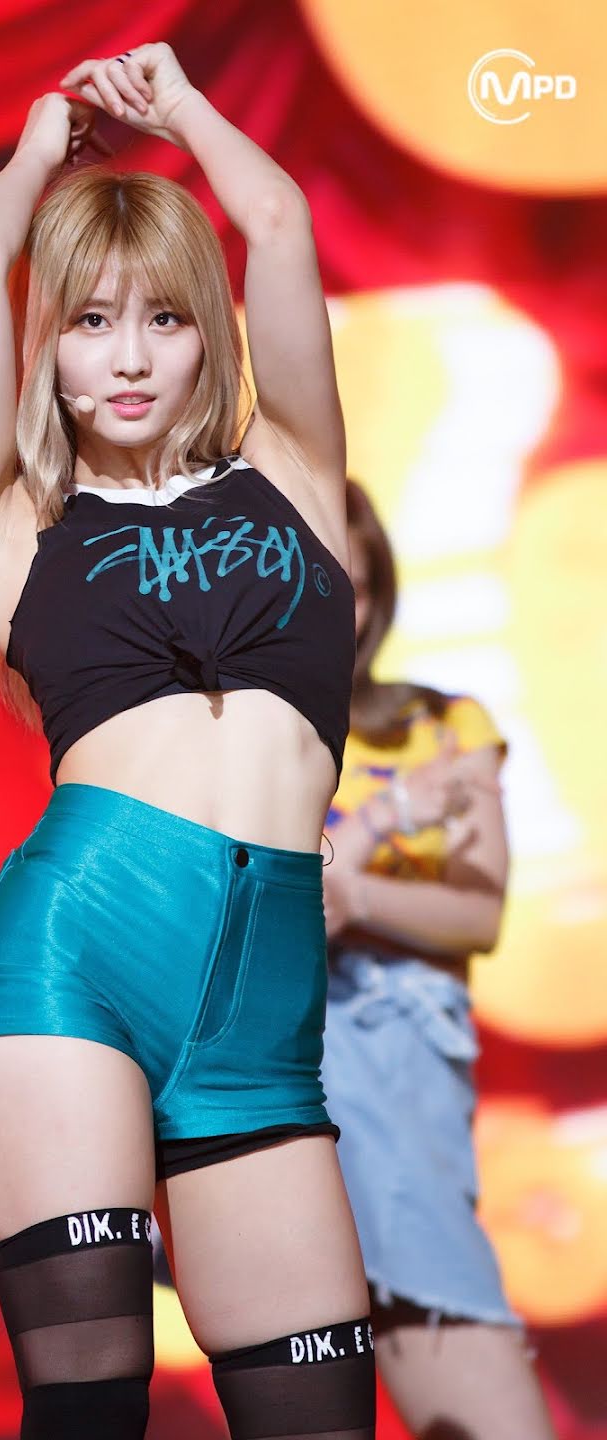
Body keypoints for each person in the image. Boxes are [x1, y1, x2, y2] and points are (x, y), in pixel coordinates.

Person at [0, 41, 375, 1440]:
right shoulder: (9, 531)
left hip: (262, 1012)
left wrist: (180, 106)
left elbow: (281, 222)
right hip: (77, 954)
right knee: (92, 1409)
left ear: (210, 334)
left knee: (320, 1416)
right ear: (48, 343)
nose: (128, 357)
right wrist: (37, 145)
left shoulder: (294, 471)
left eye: (166, 318)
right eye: (90, 320)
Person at [319, 480, 555, 1439]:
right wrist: (391, 817)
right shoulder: (231, 735)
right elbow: (275, 910)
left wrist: (356, 892)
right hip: (303, 1049)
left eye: (354, 585)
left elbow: (480, 912)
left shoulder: (448, 722)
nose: (336, 608)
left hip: (414, 1062)